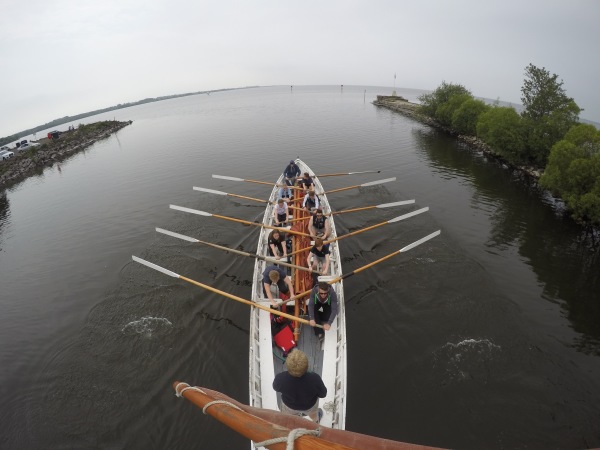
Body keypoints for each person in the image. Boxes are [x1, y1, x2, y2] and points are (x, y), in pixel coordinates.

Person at [272, 349, 326, 422]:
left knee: (288, 417)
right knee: (313, 414)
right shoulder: (315, 378)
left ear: (288, 366)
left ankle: (290, 422)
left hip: (289, 406)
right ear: (307, 366)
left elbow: (275, 388)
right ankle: (315, 421)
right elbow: (323, 394)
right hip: (309, 406)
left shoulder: (280, 378)